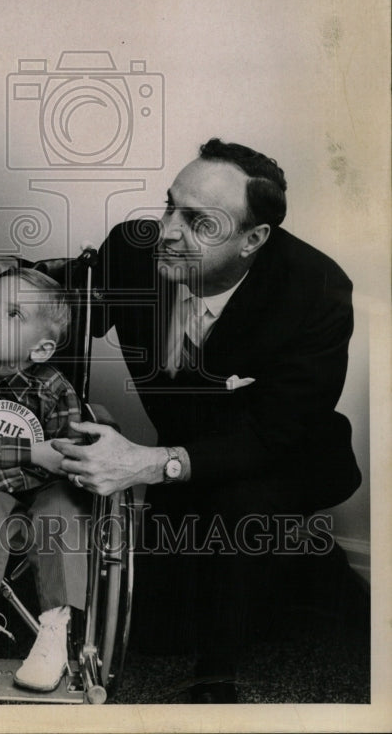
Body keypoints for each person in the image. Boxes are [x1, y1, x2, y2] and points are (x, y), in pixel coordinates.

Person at [52, 138, 361, 703]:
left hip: (280, 461)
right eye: (170, 206)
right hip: (188, 453)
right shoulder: (133, 249)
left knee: (240, 544)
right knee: (155, 637)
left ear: (253, 240)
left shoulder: (315, 290)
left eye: (199, 222)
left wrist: (145, 463)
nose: (168, 230)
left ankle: (301, 585)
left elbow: (273, 434)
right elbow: (57, 305)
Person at [0, 268, 90, 693]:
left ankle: (54, 633)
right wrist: (15, 461)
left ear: (42, 348)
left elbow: (65, 460)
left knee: (62, 507)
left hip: (45, 499)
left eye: (12, 314)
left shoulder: (54, 389)